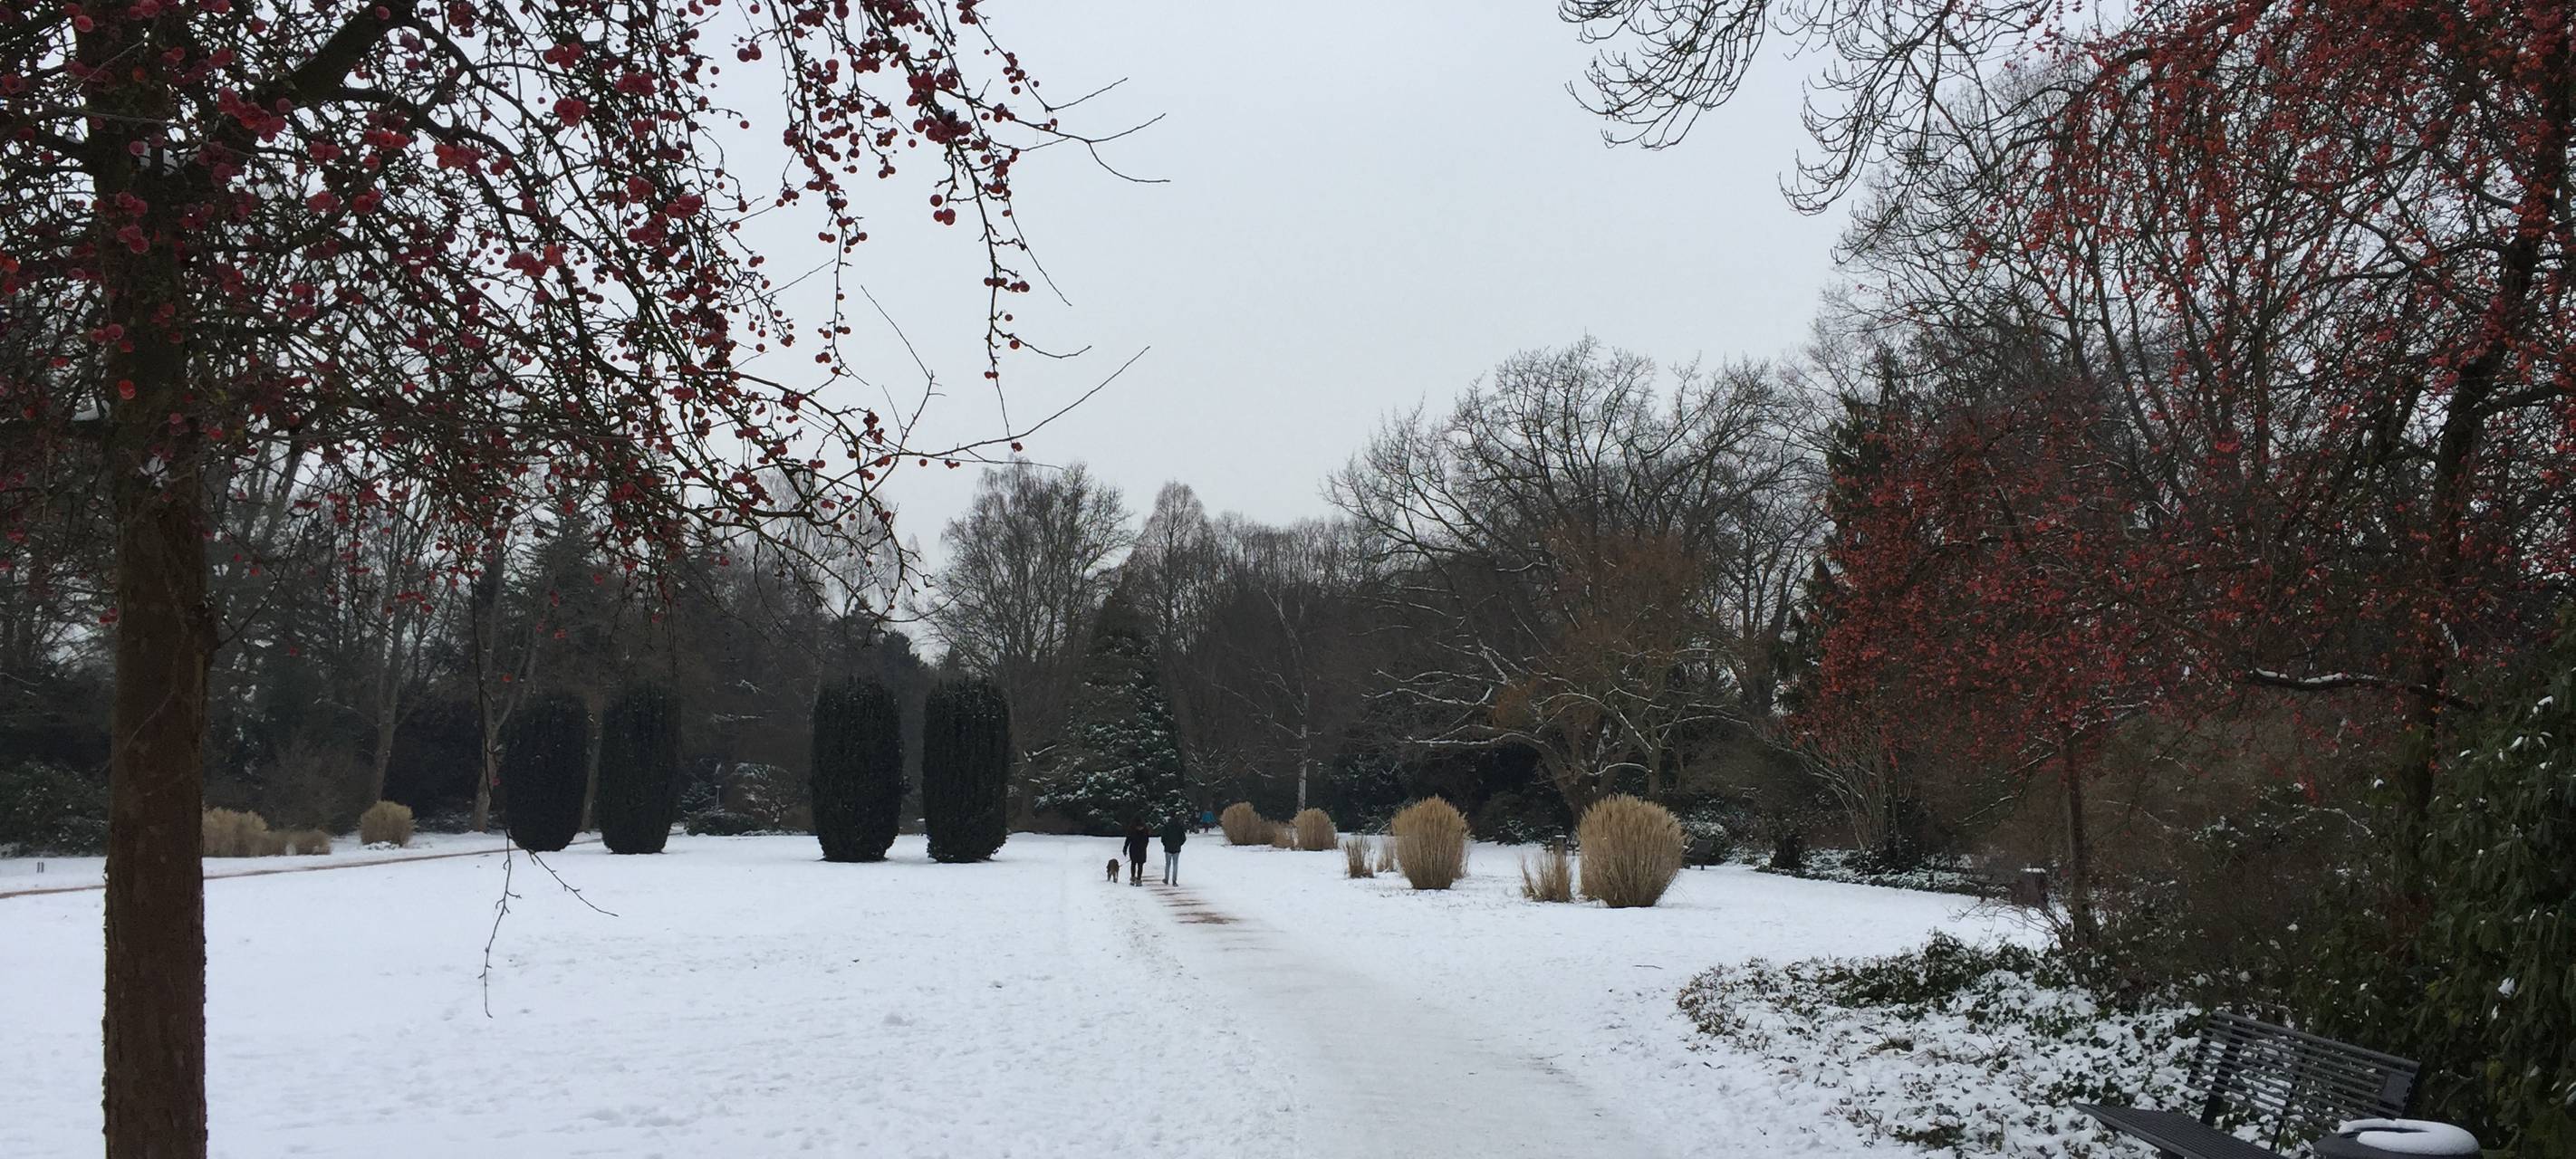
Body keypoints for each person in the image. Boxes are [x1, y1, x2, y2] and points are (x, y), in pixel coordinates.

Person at [1158, 813, 1187, 886]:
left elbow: (1163, 837)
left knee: (1167, 864)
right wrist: (1179, 844)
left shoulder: (1167, 826)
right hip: (1177, 847)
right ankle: (1174, 880)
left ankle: (1166, 879)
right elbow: (1183, 838)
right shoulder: (1179, 826)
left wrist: (1165, 844)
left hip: (1168, 847)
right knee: (1175, 864)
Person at [1122, 820, 1150, 886]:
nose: (1140, 828)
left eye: (1141, 827)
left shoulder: (1144, 832)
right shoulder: (1133, 832)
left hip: (1141, 850)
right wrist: (1125, 848)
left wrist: (1144, 847)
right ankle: (1133, 878)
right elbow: (1128, 840)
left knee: (1140, 865)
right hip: (1134, 850)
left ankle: (1138, 879)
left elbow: (1146, 841)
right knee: (1133, 864)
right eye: (1139, 827)